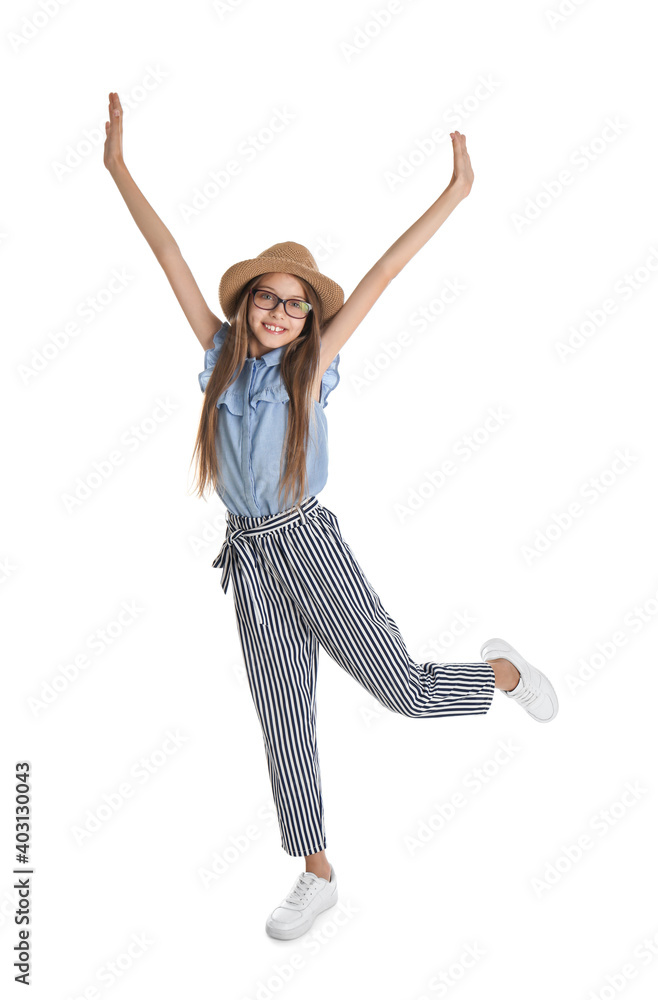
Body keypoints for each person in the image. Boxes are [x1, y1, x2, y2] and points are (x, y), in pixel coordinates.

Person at [104, 91, 559, 941]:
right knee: (282, 719)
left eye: (294, 304)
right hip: (248, 560)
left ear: (311, 315)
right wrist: (118, 166)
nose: (278, 314)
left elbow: (384, 274)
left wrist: (454, 193)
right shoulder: (219, 366)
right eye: (265, 301)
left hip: (307, 546)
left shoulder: (304, 374)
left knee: (410, 693)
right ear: (244, 308)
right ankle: (316, 873)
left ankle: (501, 671)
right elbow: (166, 250)